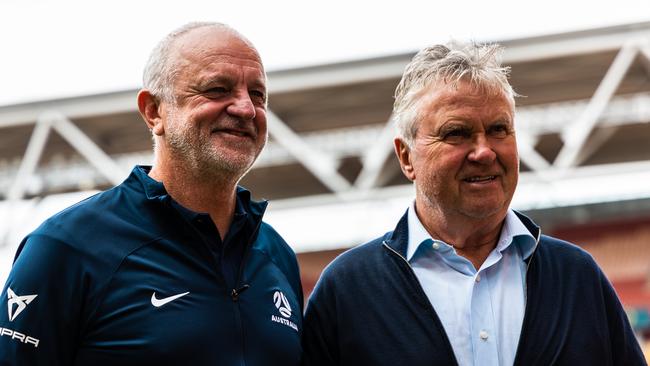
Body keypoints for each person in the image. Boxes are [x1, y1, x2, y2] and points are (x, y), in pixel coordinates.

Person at [302, 41, 646, 365]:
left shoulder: (578, 278)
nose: (484, 151)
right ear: (407, 157)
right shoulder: (346, 291)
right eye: (456, 133)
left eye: (499, 129)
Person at [0, 22, 303, 365]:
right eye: (218, 89)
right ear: (153, 111)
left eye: (258, 95)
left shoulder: (276, 255)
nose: (246, 109)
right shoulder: (68, 246)